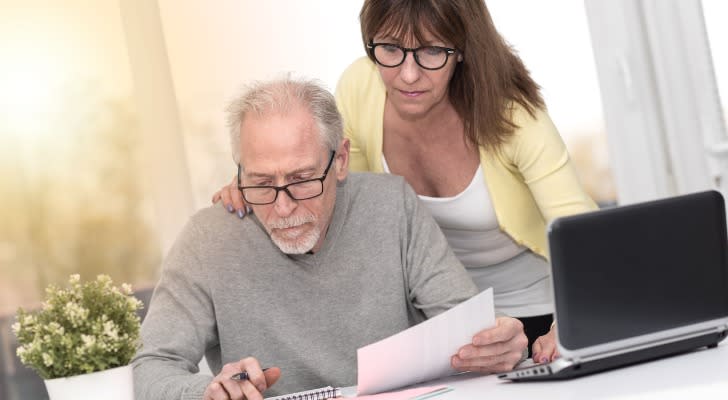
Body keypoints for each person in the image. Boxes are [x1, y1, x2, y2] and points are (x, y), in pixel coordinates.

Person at [212, 0, 597, 363]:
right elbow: (347, 201)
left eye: (431, 51)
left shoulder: (512, 114)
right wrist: (260, 182)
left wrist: (574, 323)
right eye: (391, 49)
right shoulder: (360, 86)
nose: (408, 74)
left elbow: (583, 237)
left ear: (461, 48)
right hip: (430, 322)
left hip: (536, 316)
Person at [134, 77, 528, 400]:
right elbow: (150, 370)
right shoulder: (208, 239)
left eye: (302, 179)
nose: (283, 207)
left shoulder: (391, 204)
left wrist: (501, 344)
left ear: (340, 160)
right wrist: (207, 391)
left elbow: (468, 331)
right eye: (261, 183)